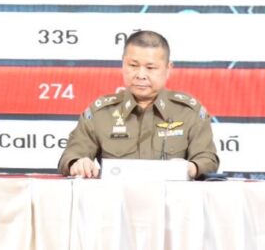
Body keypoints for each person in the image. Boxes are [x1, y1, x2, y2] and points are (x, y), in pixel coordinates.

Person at [58, 30, 218, 179]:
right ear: (123, 64)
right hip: (115, 199)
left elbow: (207, 160)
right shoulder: (101, 113)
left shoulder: (188, 112)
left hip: (171, 199)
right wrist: (77, 163)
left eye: (150, 68)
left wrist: (190, 168)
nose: (141, 75)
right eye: (133, 66)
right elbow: (70, 157)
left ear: (168, 69)